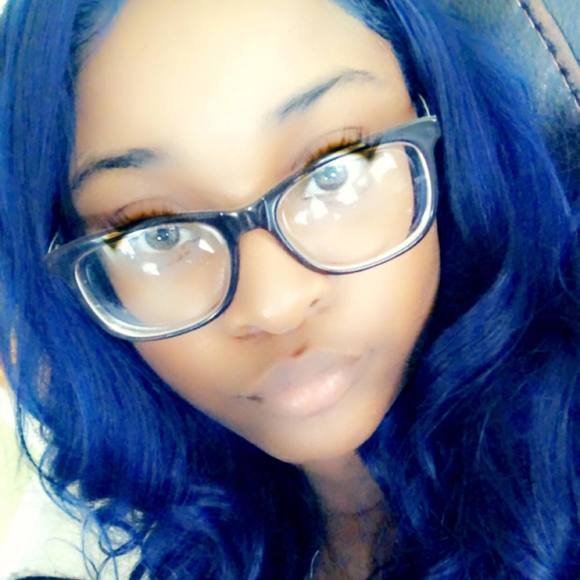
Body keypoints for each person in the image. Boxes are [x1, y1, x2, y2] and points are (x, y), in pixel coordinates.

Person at [0, 0, 577, 578]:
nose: (273, 305)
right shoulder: (162, 527)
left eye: (333, 167)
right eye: (157, 232)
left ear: (440, 122)